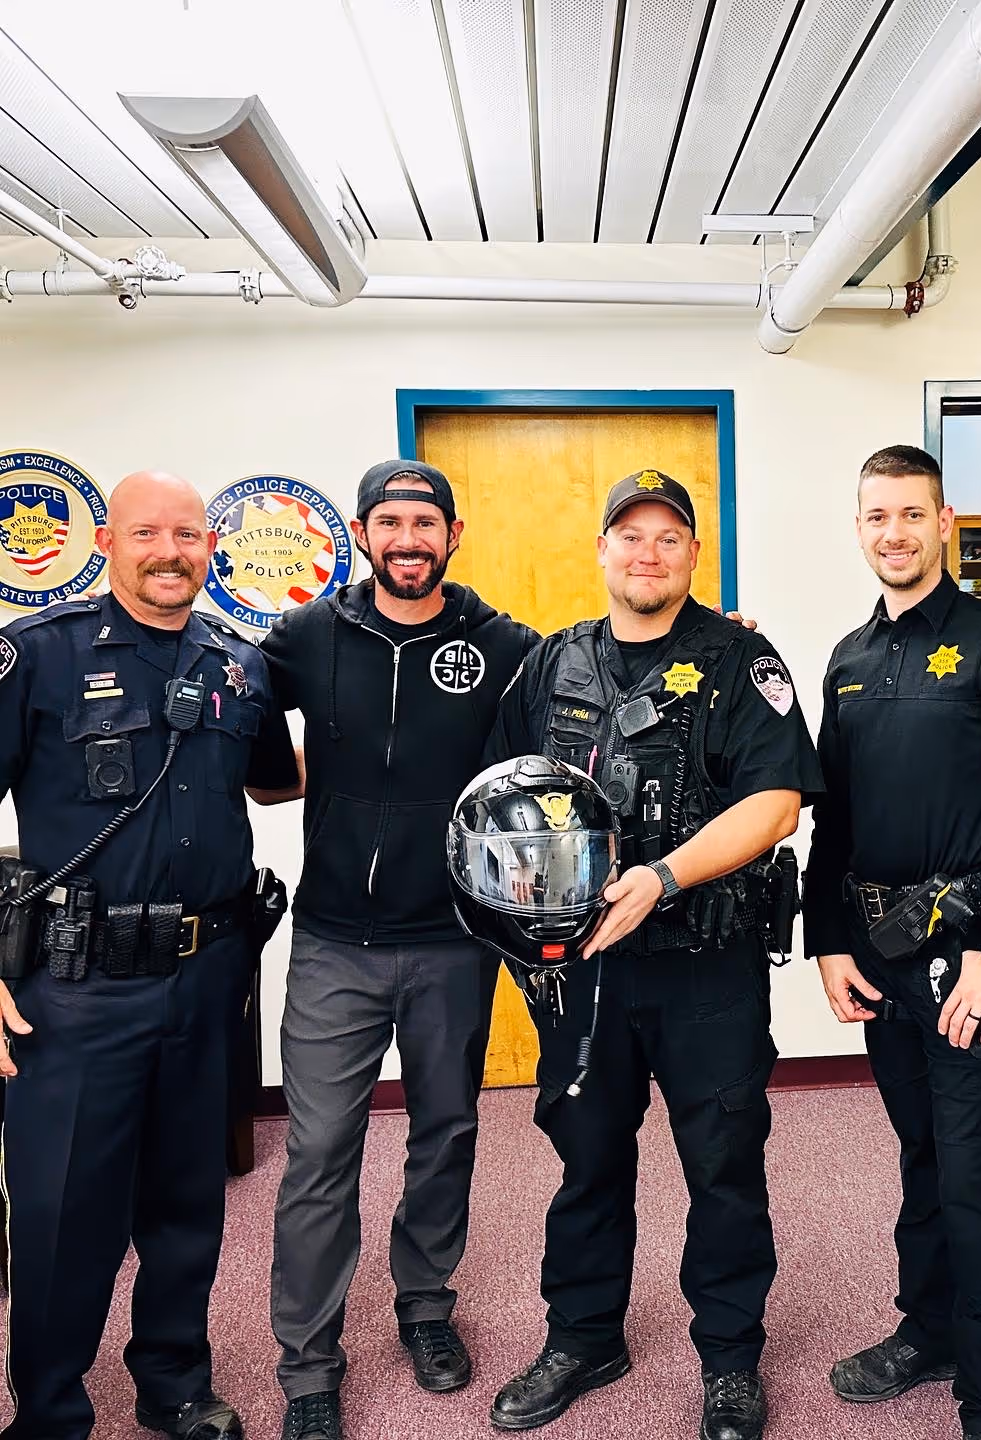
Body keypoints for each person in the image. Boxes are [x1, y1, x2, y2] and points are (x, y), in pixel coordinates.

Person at [479, 468, 823, 1440]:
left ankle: (729, 1358)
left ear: (692, 555)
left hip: (703, 969)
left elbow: (776, 802)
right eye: (629, 535)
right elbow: (499, 796)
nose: (647, 552)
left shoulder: (740, 660)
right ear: (601, 551)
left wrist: (664, 876)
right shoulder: (551, 666)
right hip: (583, 975)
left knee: (722, 1165)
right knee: (586, 1162)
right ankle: (584, 1336)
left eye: (668, 536)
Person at [0, 471, 300, 1440]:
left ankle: (173, 1381)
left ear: (210, 545)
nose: (169, 551)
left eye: (186, 535)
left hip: (208, 976)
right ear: (104, 537)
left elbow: (273, 785)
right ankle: (48, 1414)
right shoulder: (36, 658)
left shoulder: (241, 664)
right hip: (79, 989)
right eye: (147, 533)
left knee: (186, 1205)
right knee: (62, 1216)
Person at [802, 445, 981, 1440]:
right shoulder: (848, 658)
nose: (894, 533)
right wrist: (827, 939)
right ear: (860, 526)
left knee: (978, 1180)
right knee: (923, 1157)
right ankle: (930, 1331)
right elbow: (828, 820)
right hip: (881, 960)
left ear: (942, 519)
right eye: (876, 516)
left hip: (970, 958)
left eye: (911, 515)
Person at [258, 461, 539, 1440]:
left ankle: (425, 1305)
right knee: (320, 1151)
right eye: (391, 521)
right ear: (364, 534)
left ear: (454, 536)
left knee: (446, 1131)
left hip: (454, 942)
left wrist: (726, 644)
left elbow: (591, 683)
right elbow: (249, 740)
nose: (408, 537)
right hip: (334, 942)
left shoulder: (501, 644)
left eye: (425, 521)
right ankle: (308, 1363)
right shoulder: (305, 635)